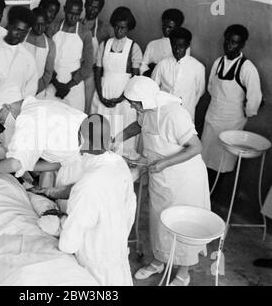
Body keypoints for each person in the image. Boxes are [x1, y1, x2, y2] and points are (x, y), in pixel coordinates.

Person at [113, 76, 210, 286]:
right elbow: (138, 126)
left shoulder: (174, 114)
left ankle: (183, 273)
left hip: (184, 178)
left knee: (182, 226)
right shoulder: (146, 110)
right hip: (161, 176)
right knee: (159, 221)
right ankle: (159, 261)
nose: (131, 105)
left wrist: (165, 163)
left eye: (134, 102)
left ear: (146, 99)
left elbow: (196, 147)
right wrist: (117, 137)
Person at [59, 114, 136, 286]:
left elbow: (68, 244)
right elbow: (130, 207)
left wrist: (61, 224)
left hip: (95, 265)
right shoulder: (119, 163)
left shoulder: (87, 184)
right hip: (118, 252)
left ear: (80, 139)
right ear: (109, 139)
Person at [201, 24, 263, 181]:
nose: (229, 45)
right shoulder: (218, 62)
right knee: (205, 156)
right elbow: (210, 87)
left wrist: (247, 112)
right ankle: (203, 191)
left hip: (232, 122)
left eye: (234, 42)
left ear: (242, 44)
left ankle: (214, 195)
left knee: (223, 161)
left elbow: (254, 98)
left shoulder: (247, 68)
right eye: (227, 41)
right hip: (213, 117)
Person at [0, 95, 87, 188]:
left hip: (80, 171)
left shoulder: (28, 118)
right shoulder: (41, 105)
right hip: (86, 161)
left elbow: (15, 163)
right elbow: (58, 163)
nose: (3, 124)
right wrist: (26, 165)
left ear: (6, 106)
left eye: (0, 119)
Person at [91, 6, 142, 154]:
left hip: (124, 96)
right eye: (117, 27)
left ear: (129, 28)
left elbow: (135, 78)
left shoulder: (133, 47)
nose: (120, 31)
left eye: (123, 28)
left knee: (120, 129)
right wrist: (101, 95)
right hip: (104, 91)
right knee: (101, 128)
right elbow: (98, 71)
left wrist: (121, 98)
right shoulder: (104, 44)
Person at [44, 0, 94, 112]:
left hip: (74, 85)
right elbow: (46, 58)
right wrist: (56, 84)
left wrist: (68, 86)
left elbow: (87, 65)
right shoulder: (53, 28)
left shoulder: (85, 33)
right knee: (50, 117)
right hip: (53, 80)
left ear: (81, 12)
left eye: (77, 14)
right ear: (65, 9)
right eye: (70, 13)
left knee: (73, 122)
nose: (73, 17)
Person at [152, 27, 205, 121]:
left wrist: (188, 103)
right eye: (174, 45)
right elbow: (153, 88)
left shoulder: (198, 67)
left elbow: (199, 92)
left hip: (186, 113)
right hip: (164, 113)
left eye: (181, 46)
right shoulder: (162, 64)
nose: (177, 50)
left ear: (188, 45)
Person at [80, 0, 113, 114]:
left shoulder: (105, 28)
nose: (92, 10)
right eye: (90, 6)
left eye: (96, 8)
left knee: (86, 106)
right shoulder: (77, 23)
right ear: (85, 5)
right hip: (75, 69)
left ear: (100, 9)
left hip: (91, 73)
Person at [140, 8, 189, 77]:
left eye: (170, 27)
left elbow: (181, 67)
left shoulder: (182, 45)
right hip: (152, 82)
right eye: (164, 26)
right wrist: (153, 73)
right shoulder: (152, 44)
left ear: (177, 28)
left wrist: (156, 67)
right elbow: (143, 65)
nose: (166, 29)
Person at [23, 8, 56, 94]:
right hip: (18, 85)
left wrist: (34, 90)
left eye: (42, 25)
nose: (39, 28)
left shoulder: (50, 44)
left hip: (38, 90)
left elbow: (48, 73)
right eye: (36, 24)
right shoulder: (21, 37)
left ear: (46, 24)